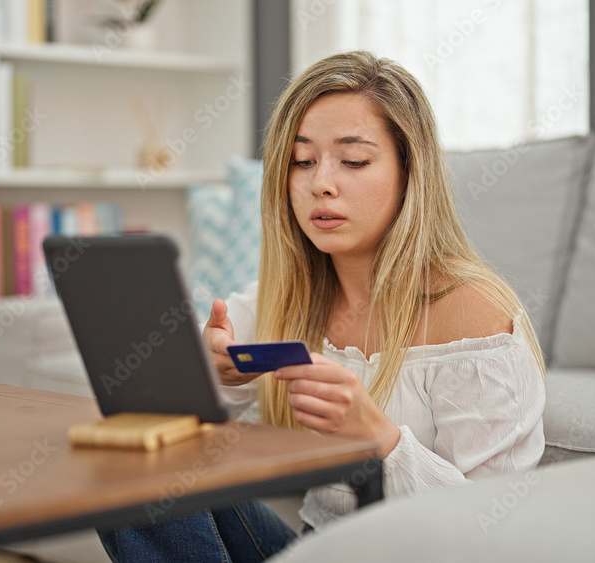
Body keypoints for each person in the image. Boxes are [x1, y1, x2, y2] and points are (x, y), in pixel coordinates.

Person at [98, 50, 546, 563]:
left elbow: (487, 535)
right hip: (314, 550)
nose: (320, 184)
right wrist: (214, 368)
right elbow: (177, 413)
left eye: (353, 161)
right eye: (302, 161)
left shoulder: (476, 318)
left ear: (409, 172)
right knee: (139, 462)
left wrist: (380, 439)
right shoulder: (287, 294)